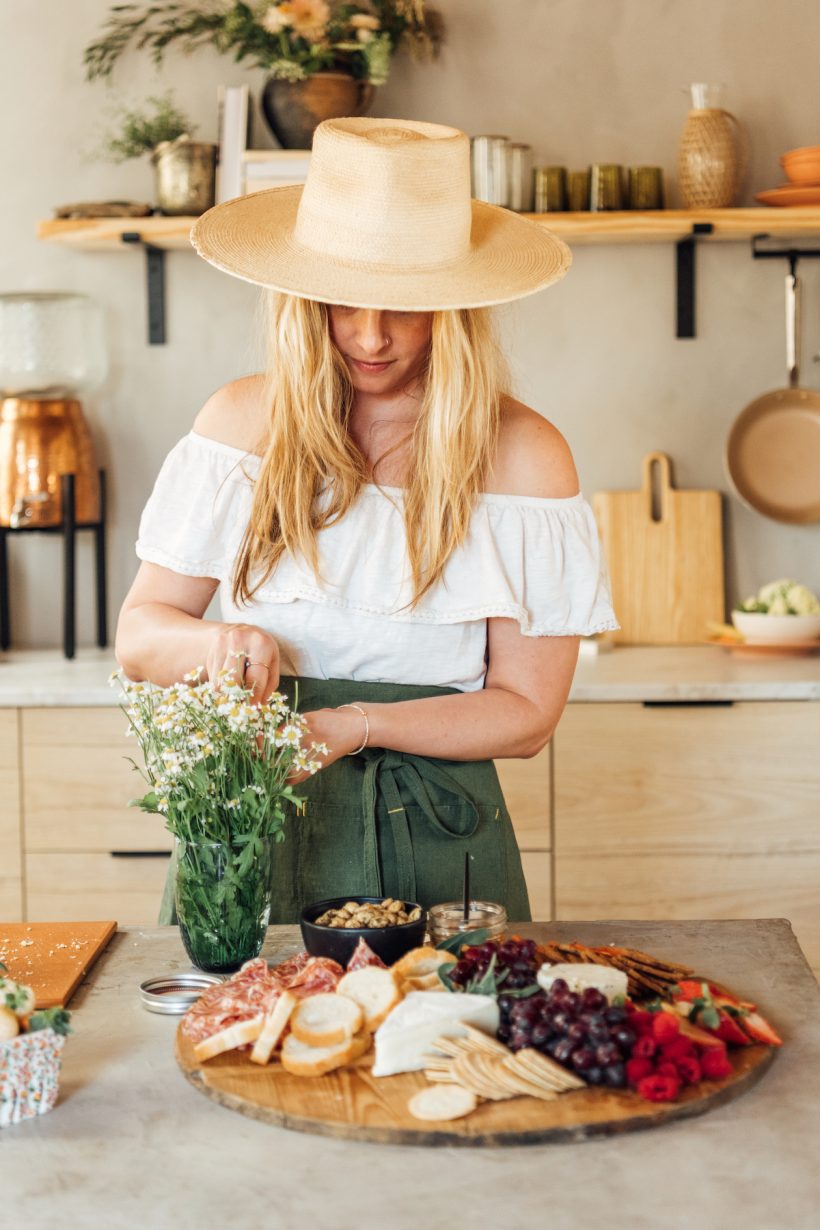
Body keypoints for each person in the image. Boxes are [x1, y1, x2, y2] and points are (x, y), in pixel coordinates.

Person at [115, 117, 617, 924]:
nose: (369, 335)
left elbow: (526, 715)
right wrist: (217, 644)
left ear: (455, 308)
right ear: (300, 296)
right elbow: (139, 638)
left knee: (452, 1041)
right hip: (261, 811)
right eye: (340, 302)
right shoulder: (240, 426)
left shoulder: (525, 455)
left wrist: (352, 726)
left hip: (438, 826)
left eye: (404, 308)